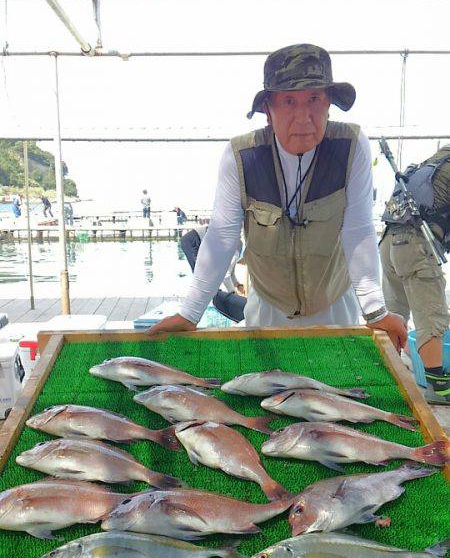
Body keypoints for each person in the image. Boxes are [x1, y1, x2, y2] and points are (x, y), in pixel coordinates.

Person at [148, 43, 406, 351]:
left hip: (336, 305)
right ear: (267, 110)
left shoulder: (352, 146)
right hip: (267, 308)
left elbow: (358, 229)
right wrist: (190, 313)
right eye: (288, 102)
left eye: (314, 98)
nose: (303, 116)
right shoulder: (240, 157)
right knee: (269, 394)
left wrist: (375, 310)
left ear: (329, 104)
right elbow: (222, 235)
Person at [380, 145, 450, 401]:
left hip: (389, 242)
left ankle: (389, 376)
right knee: (432, 315)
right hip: (416, 244)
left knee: (394, 315)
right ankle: (438, 389)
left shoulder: (431, 164)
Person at [181, 225, 246, 322]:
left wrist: (237, 284)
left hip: (203, 240)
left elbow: (230, 271)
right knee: (200, 274)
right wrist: (233, 293)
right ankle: (191, 312)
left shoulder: (238, 250)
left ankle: (212, 296)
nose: (245, 265)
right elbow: (226, 275)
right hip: (193, 240)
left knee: (209, 275)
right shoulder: (236, 252)